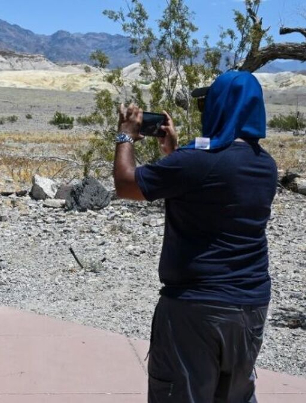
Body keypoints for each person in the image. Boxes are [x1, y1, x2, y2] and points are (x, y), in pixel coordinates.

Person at [112, 70, 278, 402]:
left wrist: (125, 136)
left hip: (196, 308)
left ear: (220, 108)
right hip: (250, 305)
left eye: (206, 104)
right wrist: (173, 152)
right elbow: (209, 188)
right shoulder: (265, 165)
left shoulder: (196, 162)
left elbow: (126, 184)